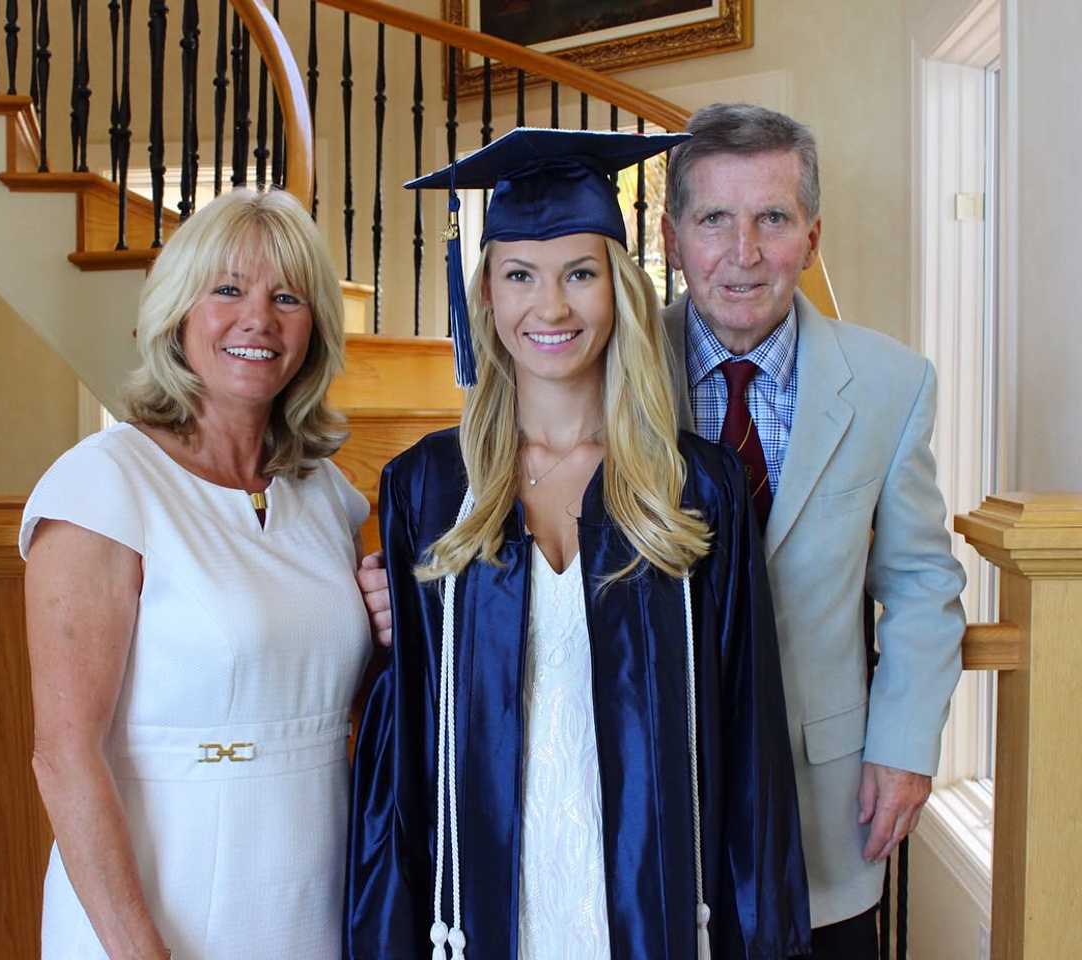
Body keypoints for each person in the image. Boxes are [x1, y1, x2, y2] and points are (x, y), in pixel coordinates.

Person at [344, 128, 811, 960]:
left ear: (621, 291)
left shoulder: (696, 487)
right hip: (484, 916)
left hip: (652, 912)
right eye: (520, 275)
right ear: (483, 294)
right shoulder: (428, 490)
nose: (551, 308)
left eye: (581, 275)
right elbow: (403, 752)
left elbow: (748, 739)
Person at [21, 187, 371, 959]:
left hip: (313, 883)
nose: (259, 319)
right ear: (179, 310)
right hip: (157, 896)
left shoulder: (326, 497)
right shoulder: (103, 485)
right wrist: (140, 950)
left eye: (288, 297)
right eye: (228, 290)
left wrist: (388, 622)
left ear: (313, 328)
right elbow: (64, 753)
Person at [659, 103, 967, 957]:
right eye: (714, 218)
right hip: (649, 790)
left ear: (813, 235)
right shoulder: (616, 367)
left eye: (774, 219)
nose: (743, 252)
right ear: (671, 234)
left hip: (823, 810)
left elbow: (919, 582)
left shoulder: (890, 383)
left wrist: (906, 747)